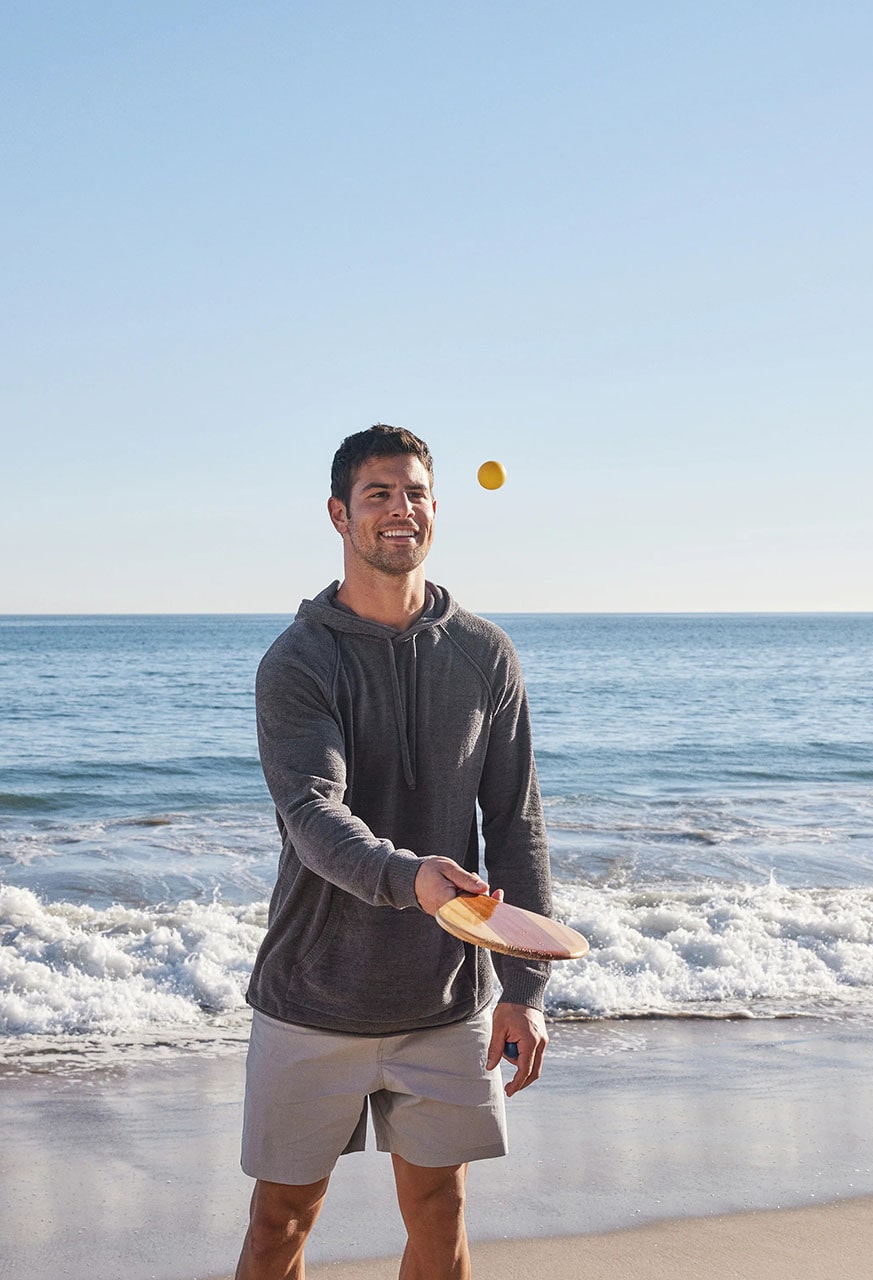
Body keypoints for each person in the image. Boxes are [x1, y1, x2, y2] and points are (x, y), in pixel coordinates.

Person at [235, 424, 552, 1280]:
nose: (399, 509)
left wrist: (524, 988)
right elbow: (312, 813)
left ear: (436, 509)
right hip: (314, 993)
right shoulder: (299, 660)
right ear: (339, 514)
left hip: (444, 998)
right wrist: (411, 879)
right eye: (378, 494)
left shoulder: (485, 654)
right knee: (279, 1225)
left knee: (440, 1214)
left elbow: (515, 824)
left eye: (414, 493)